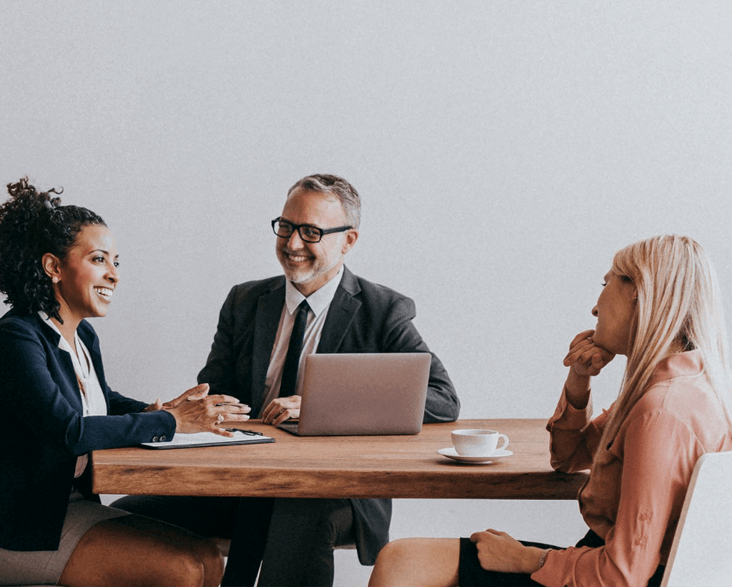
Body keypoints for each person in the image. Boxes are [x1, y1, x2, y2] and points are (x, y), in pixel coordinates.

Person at [113, 173, 460, 587]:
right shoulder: (244, 301)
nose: (292, 244)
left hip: (337, 489)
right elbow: (215, 391)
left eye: (311, 231)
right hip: (243, 480)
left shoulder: (383, 311)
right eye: (286, 226)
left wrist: (321, 405)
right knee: (123, 518)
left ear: (348, 240)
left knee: (299, 511)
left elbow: (443, 400)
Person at [368, 235, 732, 587]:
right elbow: (568, 457)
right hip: (608, 566)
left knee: (401, 563)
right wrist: (579, 378)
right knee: (404, 559)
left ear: (637, 292)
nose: (595, 307)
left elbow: (624, 576)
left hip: (609, 576)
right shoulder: (681, 384)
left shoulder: (661, 412)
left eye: (605, 284)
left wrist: (525, 558)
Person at [0, 178, 249, 587]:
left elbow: (101, 402)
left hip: (62, 507)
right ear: (53, 267)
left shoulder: (81, 336)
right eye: (100, 259)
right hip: (4, 525)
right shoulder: (16, 338)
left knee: (207, 557)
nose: (113, 275)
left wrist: (162, 410)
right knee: (183, 568)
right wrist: (172, 422)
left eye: (116, 262)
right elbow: (69, 429)